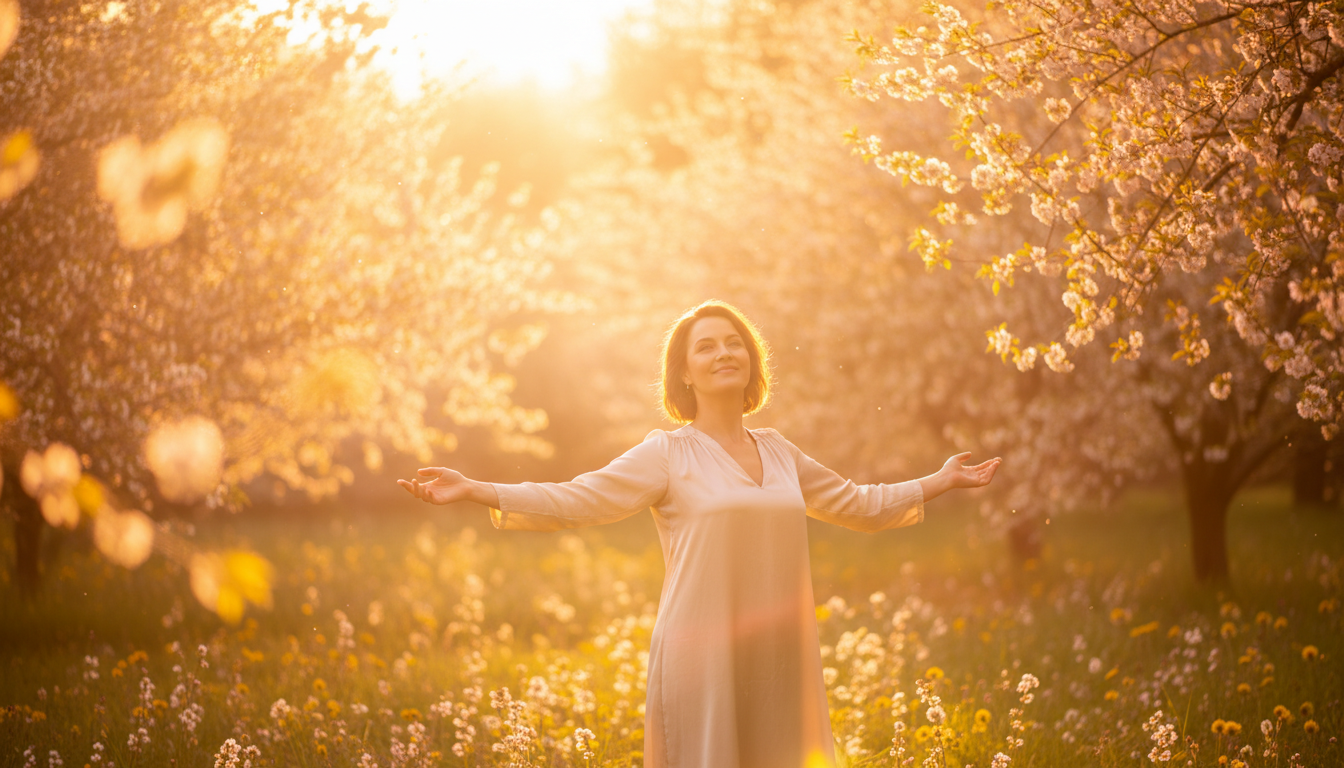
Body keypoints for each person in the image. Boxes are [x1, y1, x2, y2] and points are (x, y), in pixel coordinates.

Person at [398, 300, 1000, 768]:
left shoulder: (780, 450)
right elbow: (580, 498)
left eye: (734, 343)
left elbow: (858, 504)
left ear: (751, 361)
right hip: (701, 653)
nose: (723, 353)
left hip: (780, 656)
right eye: (705, 347)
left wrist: (940, 481)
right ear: (684, 372)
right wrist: (479, 489)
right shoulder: (666, 454)